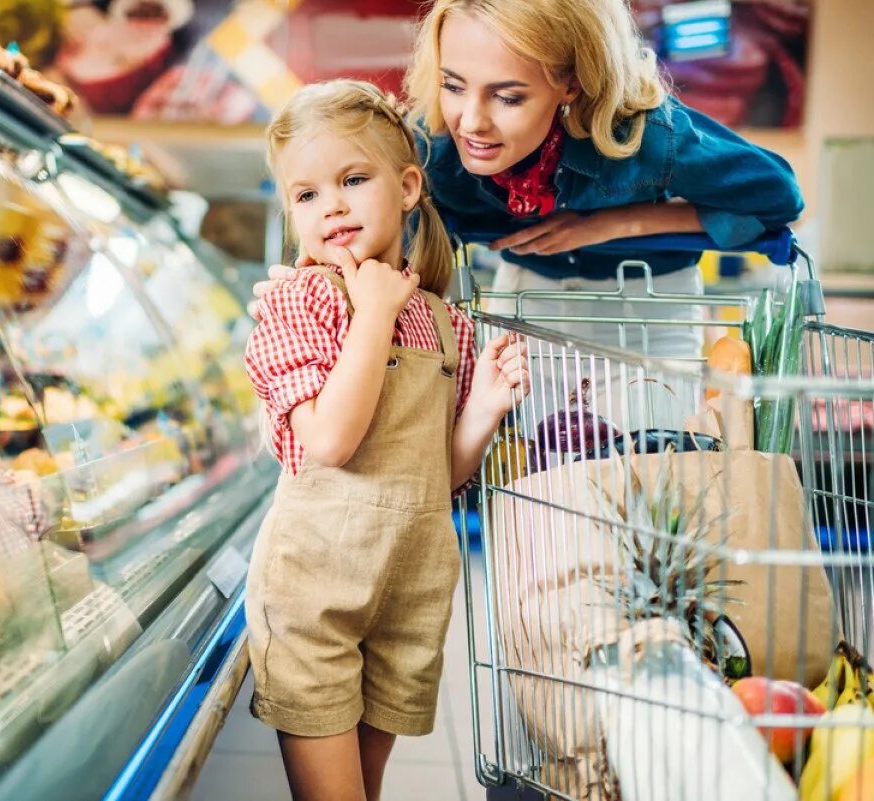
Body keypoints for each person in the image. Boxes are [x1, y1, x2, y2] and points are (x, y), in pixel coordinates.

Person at [244, 79, 529, 801]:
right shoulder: (297, 301)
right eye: (305, 195)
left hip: (407, 593)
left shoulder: (443, 319)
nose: (330, 205)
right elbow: (330, 441)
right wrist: (371, 313)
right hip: (315, 593)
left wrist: (485, 407)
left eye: (352, 178)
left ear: (406, 187)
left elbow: (443, 474)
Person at [255, 0, 804, 362]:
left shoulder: (644, 135)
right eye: (453, 85)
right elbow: (366, 232)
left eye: (508, 96)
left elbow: (778, 198)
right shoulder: (431, 149)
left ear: (571, 84)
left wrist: (612, 223)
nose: (471, 121)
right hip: (528, 308)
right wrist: (303, 292)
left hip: (650, 311)